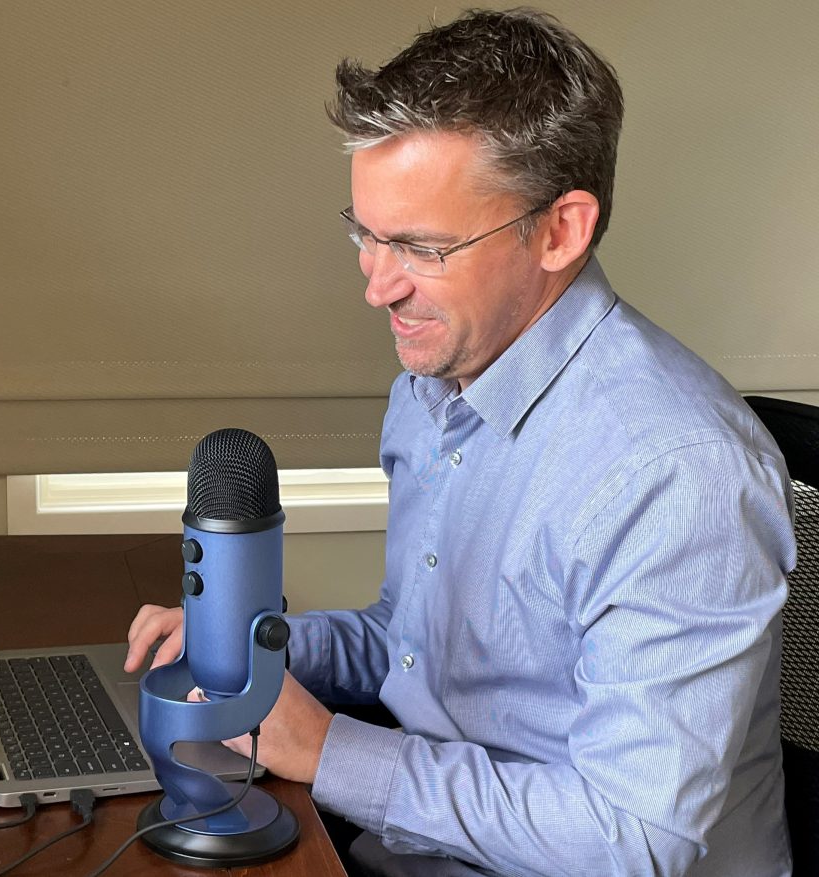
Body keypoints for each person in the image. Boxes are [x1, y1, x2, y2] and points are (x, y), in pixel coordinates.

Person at [125, 9, 795, 876]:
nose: (377, 285)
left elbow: (633, 836)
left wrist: (325, 750)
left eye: (420, 246)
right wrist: (248, 650)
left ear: (561, 230)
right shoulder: (438, 380)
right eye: (365, 231)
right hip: (411, 849)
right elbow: (419, 643)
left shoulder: (677, 475)